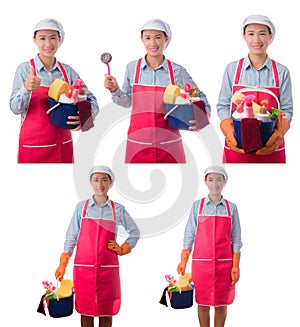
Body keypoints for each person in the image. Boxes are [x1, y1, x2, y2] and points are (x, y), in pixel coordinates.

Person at [104, 18, 210, 164]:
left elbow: (199, 96)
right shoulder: (132, 68)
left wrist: (202, 117)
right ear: (142, 40)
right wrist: (114, 89)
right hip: (137, 143)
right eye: (147, 38)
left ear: (166, 39)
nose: (152, 43)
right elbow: (127, 102)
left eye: (158, 37)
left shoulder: (177, 71)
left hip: (170, 144)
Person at [55, 165, 140, 327]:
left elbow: (135, 232)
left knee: (106, 312)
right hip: (83, 269)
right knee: (86, 312)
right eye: (96, 180)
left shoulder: (118, 209)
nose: (99, 184)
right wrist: (62, 263)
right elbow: (71, 237)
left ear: (110, 183)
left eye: (104, 180)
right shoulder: (81, 208)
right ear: (90, 182)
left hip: (108, 270)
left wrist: (123, 248)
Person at [10, 18, 99, 163]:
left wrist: (88, 117)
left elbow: (90, 98)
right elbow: (14, 108)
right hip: (32, 148)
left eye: (53, 38)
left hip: (62, 147)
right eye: (42, 38)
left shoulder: (68, 72)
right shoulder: (24, 70)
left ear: (60, 40)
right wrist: (26, 88)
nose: (48, 44)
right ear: (35, 40)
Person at [217, 14, 293, 163]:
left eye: (262, 34)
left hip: (271, 149)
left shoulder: (282, 71)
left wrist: (279, 133)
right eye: (251, 34)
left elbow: (287, 109)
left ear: (270, 37)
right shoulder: (232, 69)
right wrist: (228, 129)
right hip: (237, 148)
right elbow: (223, 105)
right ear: (244, 36)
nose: (256, 40)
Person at [177, 166, 242, 327]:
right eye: (211, 179)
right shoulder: (197, 207)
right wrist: (183, 261)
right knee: (203, 303)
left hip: (225, 265)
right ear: (205, 182)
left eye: (219, 179)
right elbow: (189, 235)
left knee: (221, 304)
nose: (215, 184)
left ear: (225, 182)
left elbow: (236, 240)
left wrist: (236, 266)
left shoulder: (231, 208)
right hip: (201, 265)